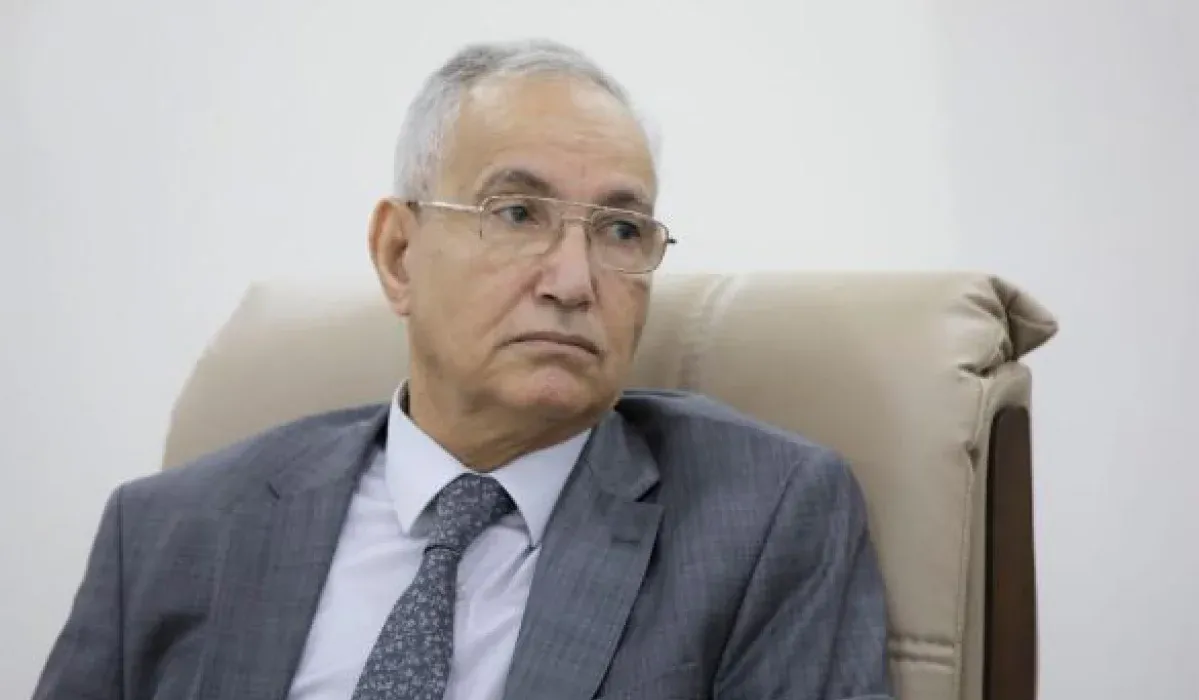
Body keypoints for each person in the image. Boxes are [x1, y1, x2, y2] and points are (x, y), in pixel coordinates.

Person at [32, 39, 892, 700]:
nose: (572, 281)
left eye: (621, 230)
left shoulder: (761, 519)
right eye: (516, 213)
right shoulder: (168, 532)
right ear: (399, 254)